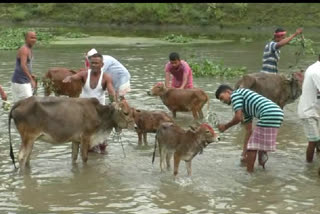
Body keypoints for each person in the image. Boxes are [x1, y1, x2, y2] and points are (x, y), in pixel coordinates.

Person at [215, 85, 284, 173]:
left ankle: (249, 174)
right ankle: (262, 170)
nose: (223, 101)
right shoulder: (245, 106)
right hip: (277, 112)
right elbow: (248, 131)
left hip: (268, 112)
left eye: (222, 97)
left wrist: (225, 126)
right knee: (261, 147)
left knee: (252, 147)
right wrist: (244, 153)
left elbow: (238, 118)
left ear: (228, 92)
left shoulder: (235, 94)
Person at [63, 53, 116, 154]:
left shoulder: (106, 77)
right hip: (83, 110)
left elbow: (111, 91)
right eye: (92, 63)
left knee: (101, 141)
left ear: (102, 64)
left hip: (99, 110)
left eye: (97, 63)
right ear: (89, 64)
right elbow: (75, 76)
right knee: (83, 137)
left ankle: (98, 152)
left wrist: (115, 101)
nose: (94, 65)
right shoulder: (84, 74)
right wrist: (69, 78)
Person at [297, 55, 320, 163]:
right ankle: (309, 166)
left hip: (312, 109)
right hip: (308, 111)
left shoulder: (312, 67)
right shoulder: (317, 71)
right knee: (313, 141)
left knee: (317, 140)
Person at [11, 31, 37, 103]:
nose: (34, 39)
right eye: (31, 38)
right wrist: (31, 79)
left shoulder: (29, 49)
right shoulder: (24, 49)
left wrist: (31, 75)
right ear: (26, 39)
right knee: (29, 105)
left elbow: (26, 65)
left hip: (19, 81)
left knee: (18, 106)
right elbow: (23, 65)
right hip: (21, 82)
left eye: (35, 38)